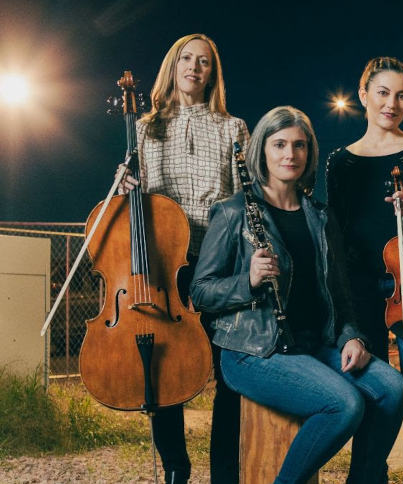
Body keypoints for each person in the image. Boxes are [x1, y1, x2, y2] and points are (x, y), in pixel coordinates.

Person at [190, 106, 403, 484]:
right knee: (344, 404)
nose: (290, 154)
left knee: (392, 388)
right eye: (279, 145)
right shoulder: (232, 212)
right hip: (254, 351)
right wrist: (248, 280)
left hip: (313, 344)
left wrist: (351, 335)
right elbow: (201, 292)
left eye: (299, 145)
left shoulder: (320, 217)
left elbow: (339, 294)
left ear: (309, 153)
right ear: (262, 151)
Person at [117, 33, 249, 484]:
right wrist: (123, 188)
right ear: (173, 66)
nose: (195, 68)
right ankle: (176, 466)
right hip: (164, 263)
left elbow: (242, 198)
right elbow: (135, 206)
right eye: (187, 59)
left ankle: (224, 474)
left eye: (205, 62)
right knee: (164, 368)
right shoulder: (144, 127)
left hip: (219, 260)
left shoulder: (233, 128)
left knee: (229, 372)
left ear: (214, 73)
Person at [325, 56, 403, 484]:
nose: (391, 104)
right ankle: (369, 474)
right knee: (373, 390)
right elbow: (337, 236)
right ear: (363, 95)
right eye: (383, 93)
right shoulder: (339, 162)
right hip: (362, 292)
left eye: (402, 95)